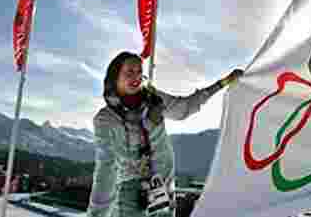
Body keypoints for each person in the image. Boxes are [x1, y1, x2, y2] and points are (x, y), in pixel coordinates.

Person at [87, 51, 243, 217]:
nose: (136, 77)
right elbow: (106, 170)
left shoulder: (153, 99)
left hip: (163, 188)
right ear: (115, 77)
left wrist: (221, 83)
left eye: (139, 72)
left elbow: (184, 108)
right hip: (129, 195)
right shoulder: (106, 120)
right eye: (129, 72)